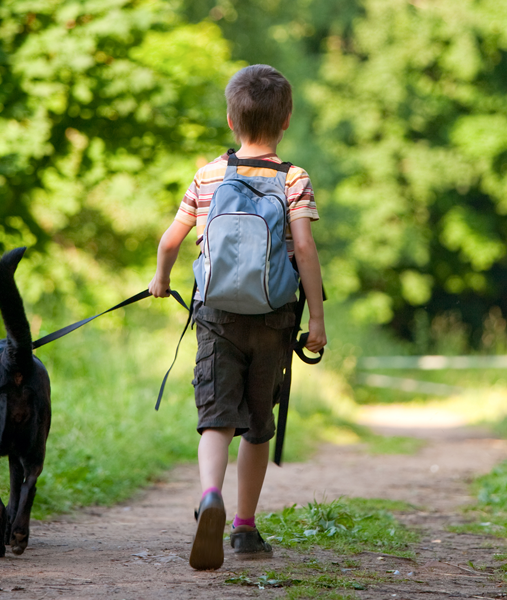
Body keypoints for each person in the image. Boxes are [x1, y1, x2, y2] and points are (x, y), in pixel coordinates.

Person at [148, 64, 326, 570]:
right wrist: (316, 320)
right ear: (286, 120)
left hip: (217, 313)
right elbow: (306, 249)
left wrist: (162, 279)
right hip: (274, 315)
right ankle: (245, 530)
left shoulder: (207, 175)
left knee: (216, 418)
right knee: (257, 424)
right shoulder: (294, 178)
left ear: (231, 119)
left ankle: (210, 496)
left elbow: (171, 240)